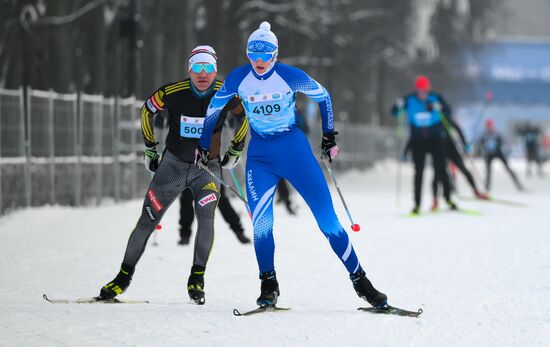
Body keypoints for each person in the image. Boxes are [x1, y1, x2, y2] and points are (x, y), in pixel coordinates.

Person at [196, 22, 388, 309]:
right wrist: (202, 144)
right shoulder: (238, 78)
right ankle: (268, 284)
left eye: (266, 55)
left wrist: (328, 136)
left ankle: (361, 281)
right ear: (248, 54)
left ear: (275, 55)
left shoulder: (289, 76)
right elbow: (213, 108)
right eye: (254, 55)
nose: (259, 62)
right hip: (260, 156)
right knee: (261, 223)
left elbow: (324, 97)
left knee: (328, 221)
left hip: (294, 151)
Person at [98, 45, 248, 305]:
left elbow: (244, 117)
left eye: (208, 68)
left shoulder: (226, 93)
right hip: (172, 168)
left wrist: (236, 148)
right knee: (147, 220)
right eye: (197, 68)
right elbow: (147, 110)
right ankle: (122, 278)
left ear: (215, 70)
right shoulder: (172, 92)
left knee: (206, 219)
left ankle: (197, 278)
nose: (203, 74)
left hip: (207, 170)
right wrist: (149, 148)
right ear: (189, 69)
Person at [391, 75, 457, 214]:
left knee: (441, 168)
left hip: (435, 139)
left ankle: (448, 199)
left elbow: (448, 112)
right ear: (416, 90)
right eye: (420, 91)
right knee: (418, 172)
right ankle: (417, 204)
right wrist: (397, 106)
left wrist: (441, 107)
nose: (422, 94)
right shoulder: (409, 99)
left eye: (425, 91)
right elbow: (395, 112)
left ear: (428, 89)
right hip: (417, 141)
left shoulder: (435, 98)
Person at [429, 111, 489, 210]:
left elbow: (460, 132)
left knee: (465, 170)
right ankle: (435, 200)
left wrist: (465, 145)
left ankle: (476, 191)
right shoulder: (432, 122)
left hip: (452, 150)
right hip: (439, 151)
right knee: (437, 175)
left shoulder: (450, 121)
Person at [179, 184, 251, 245]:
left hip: (212, 169)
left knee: (221, 199)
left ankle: (238, 230)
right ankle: (184, 234)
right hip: (191, 171)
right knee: (186, 199)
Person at [478, 118, 523, 191]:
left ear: (492, 126)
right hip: (489, 154)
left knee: (508, 168)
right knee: (488, 171)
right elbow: (480, 144)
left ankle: (518, 184)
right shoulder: (484, 134)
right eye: (487, 126)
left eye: (490, 125)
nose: (489, 127)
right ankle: (487, 187)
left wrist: (507, 150)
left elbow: (503, 142)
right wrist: (480, 151)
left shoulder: (497, 133)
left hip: (498, 152)